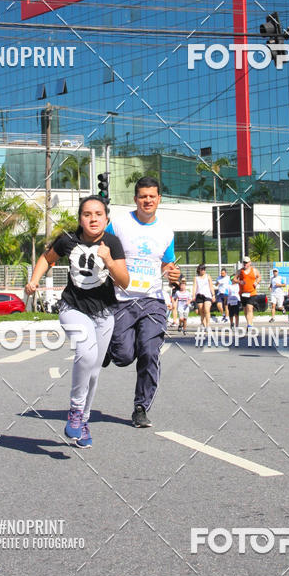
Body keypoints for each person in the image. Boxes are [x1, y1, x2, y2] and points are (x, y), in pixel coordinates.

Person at [26, 196, 128, 448]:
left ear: (106, 218)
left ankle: (82, 421)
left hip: (104, 313)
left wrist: (110, 261)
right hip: (73, 308)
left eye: (98, 214)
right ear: (80, 218)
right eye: (87, 214)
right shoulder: (67, 240)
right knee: (85, 352)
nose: (93, 219)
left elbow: (124, 281)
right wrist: (35, 279)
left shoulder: (112, 243)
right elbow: (46, 259)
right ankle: (75, 411)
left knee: (93, 371)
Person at [104, 176, 180, 428]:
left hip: (153, 300)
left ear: (159, 199)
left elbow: (167, 263)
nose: (148, 200)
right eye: (143, 196)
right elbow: (103, 251)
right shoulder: (119, 224)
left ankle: (141, 407)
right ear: (135, 199)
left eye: (152, 196)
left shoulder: (166, 231)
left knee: (149, 352)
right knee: (124, 356)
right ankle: (110, 348)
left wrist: (173, 272)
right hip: (122, 299)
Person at [237, 256, 261, 331]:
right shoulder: (240, 271)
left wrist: (256, 282)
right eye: (244, 262)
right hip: (243, 293)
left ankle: (249, 325)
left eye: (247, 262)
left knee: (249, 308)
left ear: (250, 263)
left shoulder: (254, 270)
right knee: (245, 310)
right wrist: (239, 281)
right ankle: (249, 322)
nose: (245, 264)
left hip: (252, 293)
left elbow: (259, 277)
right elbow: (233, 279)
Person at [193, 263, 215, 329]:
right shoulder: (196, 278)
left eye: (204, 269)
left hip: (207, 295)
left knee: (206, 309)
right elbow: (195, 287)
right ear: (199, 270)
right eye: (202, 269)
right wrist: (193, 295)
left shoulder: (208, 277)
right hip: (199, 295)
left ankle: (208, 325)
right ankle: (204, 324)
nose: (203, 271)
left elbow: (211, 286)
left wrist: (213, 295)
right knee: (201, 310)